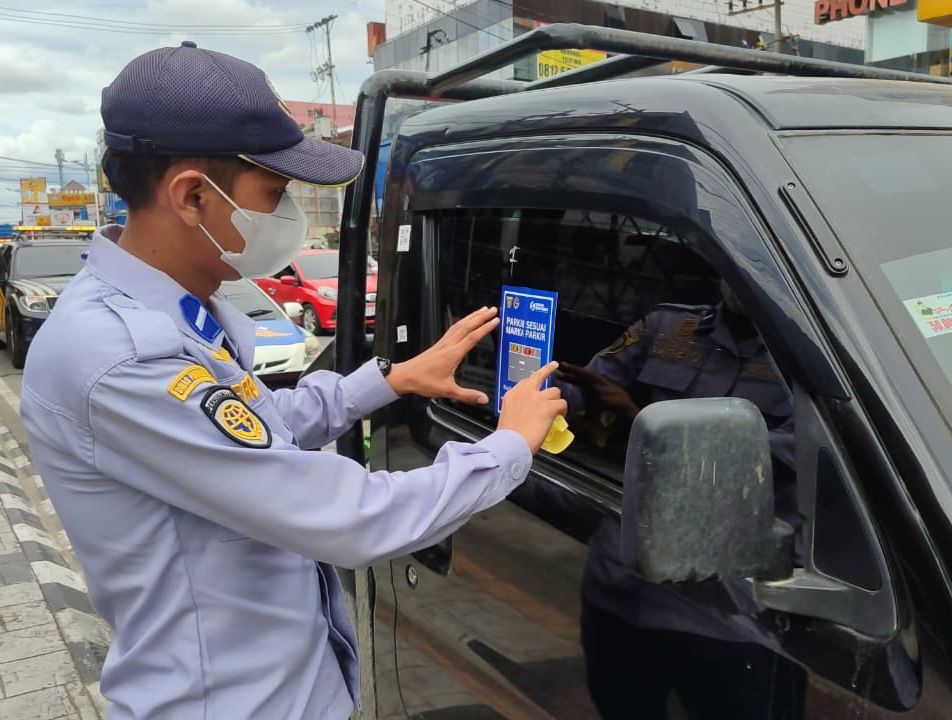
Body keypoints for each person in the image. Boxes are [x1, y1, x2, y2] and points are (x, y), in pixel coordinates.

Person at [19, 43, 566, 720]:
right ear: (192, 195)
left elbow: (256, 430)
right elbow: (350, 518)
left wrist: (391, 379)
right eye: (275, 195)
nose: (289, 218)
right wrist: (508, 447)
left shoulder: (178, 307)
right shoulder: (125, 355)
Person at [558, 286, 805, 719]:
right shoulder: (667, 327)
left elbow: (787, 454)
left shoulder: (808, 356)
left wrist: (637, 420)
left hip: (729, 613)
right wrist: (553, 400)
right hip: (619, 585)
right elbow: (593, 382)